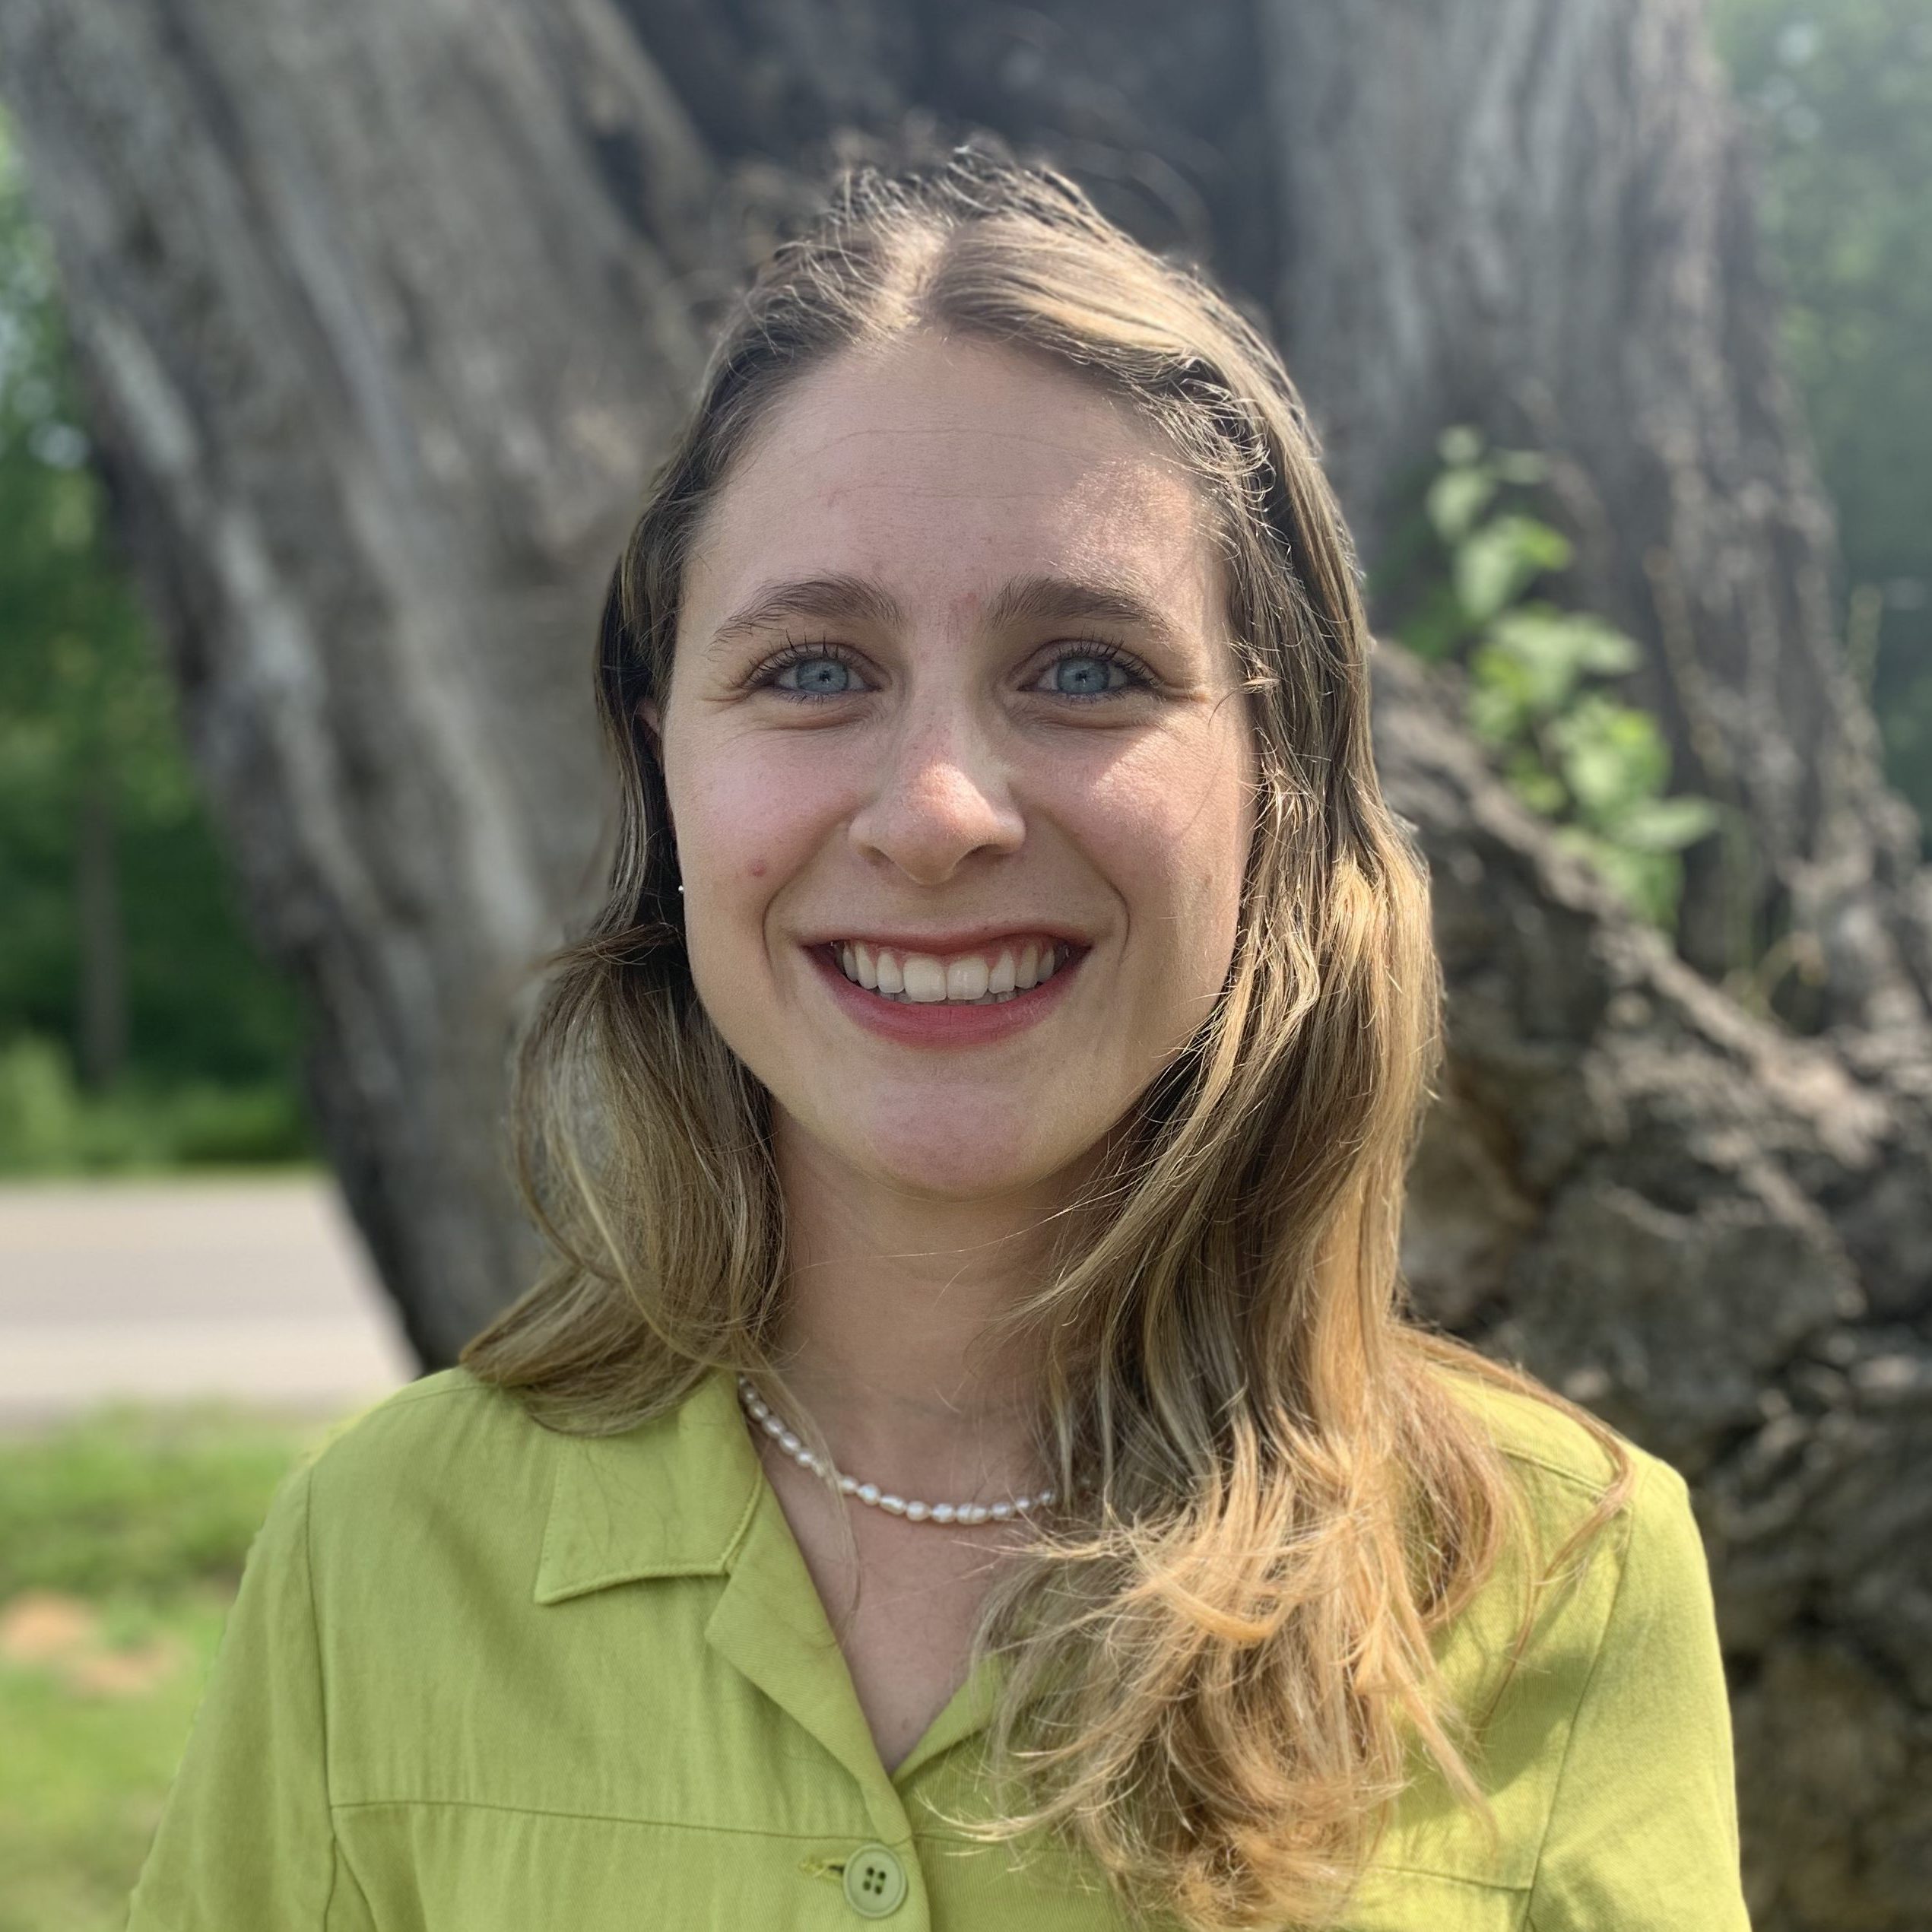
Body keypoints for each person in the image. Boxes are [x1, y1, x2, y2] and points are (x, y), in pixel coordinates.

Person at [126, 152, 1751, 1931]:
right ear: (663, 760)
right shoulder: (380, 1552)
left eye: (1083, 668)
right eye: (814, 668)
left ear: (1270, 784)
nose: (936, 812)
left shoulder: (1560, 1578)